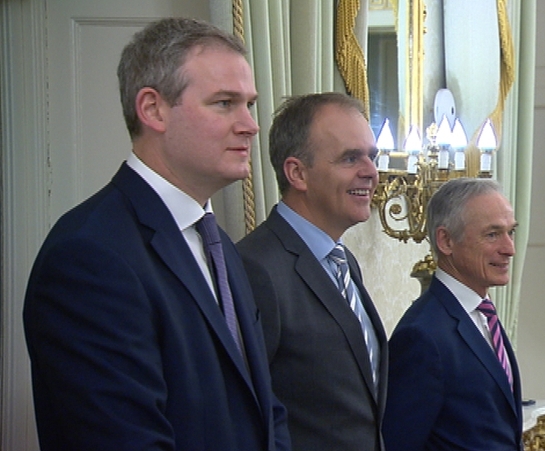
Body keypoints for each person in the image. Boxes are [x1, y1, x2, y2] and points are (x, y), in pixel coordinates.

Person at [23, 18, 290, 451]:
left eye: (250, 105)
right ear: (153, 109)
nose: (250, 125)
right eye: (224, 103)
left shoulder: (219, 245)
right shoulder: (89, 256)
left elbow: (265, 412)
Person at [237, 92, 388, 451]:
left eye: (372, 156)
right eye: (351, 158)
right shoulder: (255, 268)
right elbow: (249, 416)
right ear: (297, 173)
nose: (370, 172)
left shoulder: (342, 261)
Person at [382, 177, 523, 451]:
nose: (509, 249)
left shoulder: (483, 313)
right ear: (446, 241)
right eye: (492, 234)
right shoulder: (422, 335)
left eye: (510, 232)